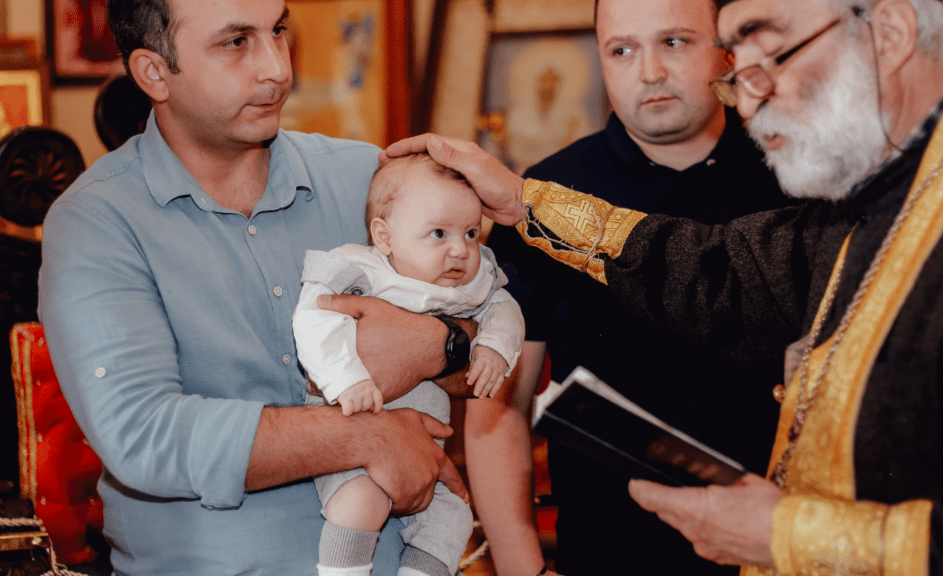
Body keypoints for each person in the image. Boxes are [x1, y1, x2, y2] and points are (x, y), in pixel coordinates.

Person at [383, 0, 943, 572]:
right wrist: (524, 202)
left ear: (888, 31)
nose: (749, 101)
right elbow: (721, 272)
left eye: (772, 54)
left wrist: (783, 534)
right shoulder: (890, 197)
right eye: (740, 74)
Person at [37, 0, 475, 574]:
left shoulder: (367, 178)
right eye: (236, 41)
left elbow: (487, 346)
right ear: (154, 72)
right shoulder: (95, 223)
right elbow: (144, 434)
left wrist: (439, 342)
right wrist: (363, 438)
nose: (277, 68)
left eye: (278, 31)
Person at [464, 0, 795, 574]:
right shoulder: (540, 197)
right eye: (622, 50)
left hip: (775, 550)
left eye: (674, 43)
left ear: (725, 49)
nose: (649, 72)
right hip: (605, 552)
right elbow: (497, 408)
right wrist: (524, 567)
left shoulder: (795, 177)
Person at [293, 153, 524, 576]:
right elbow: (314, 316)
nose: (460, 250)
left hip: (425, 455)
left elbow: (505, 308)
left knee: (453, 518)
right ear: (384, 236)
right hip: (351, 426)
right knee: (362, 500)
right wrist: (345, 380)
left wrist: (493, 347)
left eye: (472, 233)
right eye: (439, 233)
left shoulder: (472, 281)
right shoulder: (361, 269)